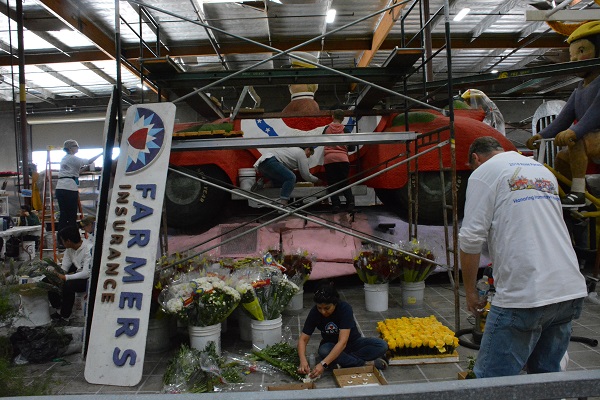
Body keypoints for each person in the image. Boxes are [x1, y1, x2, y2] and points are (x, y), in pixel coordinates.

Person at [459, 136, 588, 378]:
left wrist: (470, 292)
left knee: (490, 383)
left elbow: (470, 239)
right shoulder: (541, 170)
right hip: (568, 291)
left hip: (526, 295)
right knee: (545, 378)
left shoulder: (483, 172)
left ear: (476, 158)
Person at [526, 21, 600, 206]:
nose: (574, 59)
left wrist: (575, 131)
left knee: (576, 141)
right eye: (572, 54)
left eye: (581, 51)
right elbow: (563, 119)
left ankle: (578, 193)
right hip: (591, 138)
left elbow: (595, 112)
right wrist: (541, 135)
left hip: (595, 135)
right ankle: (572, 191)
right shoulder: (579, 90)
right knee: (561, 157)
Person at [297, 282, 388, 379]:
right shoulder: (315, 312)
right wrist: (302, 360)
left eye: (327, 308)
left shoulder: (345, 309)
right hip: (331, 345)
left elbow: (343, 342)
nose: (323, 312)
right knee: (324, 350)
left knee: (381, 345)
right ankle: (364, 363)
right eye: (320, 308)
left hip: (353, 343)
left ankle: (344, 360)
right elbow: (303, 339)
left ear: (335, 303)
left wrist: (323, 364)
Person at [46, 225, 93, 324]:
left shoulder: (89, 248)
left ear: (68, 241)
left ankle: (65, 316)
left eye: (62, 240)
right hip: (77, 275)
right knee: (47, 281)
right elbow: (64, 268)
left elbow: (86, 273)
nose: (61, 243)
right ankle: (58, 308)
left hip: (89, 279)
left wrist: (65, 277)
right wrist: (55, 274)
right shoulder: (69, 250)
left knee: (68, 285)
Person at [55, 139, 102, 232]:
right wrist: (101, 154)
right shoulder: (73, 158)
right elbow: (89, 161)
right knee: (72, 214)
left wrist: (85, 169)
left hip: (60, 187)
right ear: (70, 148)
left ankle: (61, 238)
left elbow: (75, 173)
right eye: (76, 146)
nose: (78, 148)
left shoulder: (65, 159)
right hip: (69, 188)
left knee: (64, 214)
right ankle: (72, 236)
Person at [253, 147, 322, 206]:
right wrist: (317, 180)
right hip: (272, 161)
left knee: (283, 181)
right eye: (310, 154)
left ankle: (262, 185)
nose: (309, 156)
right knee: (291, 178)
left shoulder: (292, 150)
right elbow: (306, 175)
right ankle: (283, 205)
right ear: (308, 149)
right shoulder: (301, 153)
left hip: (262, 164)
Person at [323, 109, 355, 212]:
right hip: (342, 159)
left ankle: (336, 205)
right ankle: (350, 203)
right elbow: (352, 148)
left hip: (329, 159)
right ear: (343, 118)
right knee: (344, 181)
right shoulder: (346, 130)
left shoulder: (326, 129)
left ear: (333, 116)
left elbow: (321, 141)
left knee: (332, 183)